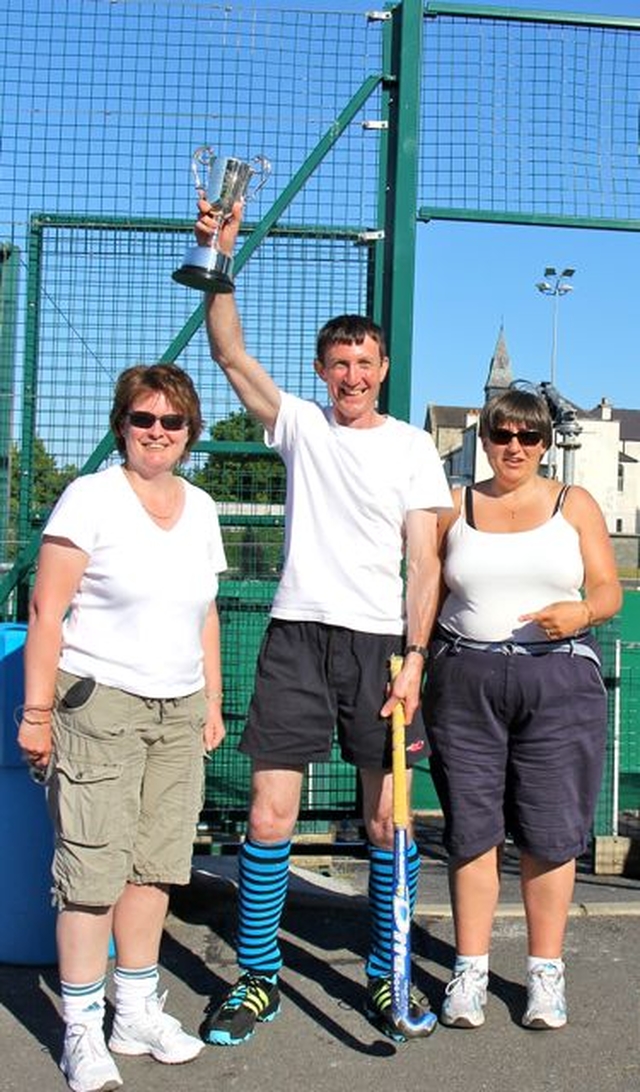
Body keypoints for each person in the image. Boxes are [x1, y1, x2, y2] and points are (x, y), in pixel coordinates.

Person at [191, 198, 452, 1045]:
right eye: (337, 362)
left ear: (382, 369)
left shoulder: (411, 445)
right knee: (269, 814)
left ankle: (386, 976)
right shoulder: (298, 425)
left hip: (381, 649)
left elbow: (427, 563)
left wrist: (414, 657)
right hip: (296, 635)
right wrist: (220, 256)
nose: (350, 376)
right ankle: (258, 978)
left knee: (385, 822)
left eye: (364, 362)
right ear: (321, 369)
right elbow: (228, 352)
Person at [17, 363, 227, 1092]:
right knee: (92, 872)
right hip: (99, 703)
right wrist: (37, 712)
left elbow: (204, 609)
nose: (158, 433)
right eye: (144, 420)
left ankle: (133, 1010)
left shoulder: (199, 507)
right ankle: (80, 1027)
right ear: (122, 426)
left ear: (189, 431)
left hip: (177, 709)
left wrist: (212, 700)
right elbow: (49, 610)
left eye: (172, 422)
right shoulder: (91, 499)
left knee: (156, 865)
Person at [421, 387, 622, 1032]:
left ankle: (545, 973)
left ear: (544, 444)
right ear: (484, 439)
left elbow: (609, 588)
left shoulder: (576, 504)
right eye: (502, 435)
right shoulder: (454, 506)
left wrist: (583, 613)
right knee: (473, 830)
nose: (515, 448)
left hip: (557, 680)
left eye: (529, 438)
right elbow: (425, 592)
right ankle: (470, 971)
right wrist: (411, 661)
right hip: (466, 679)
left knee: (550, 832)